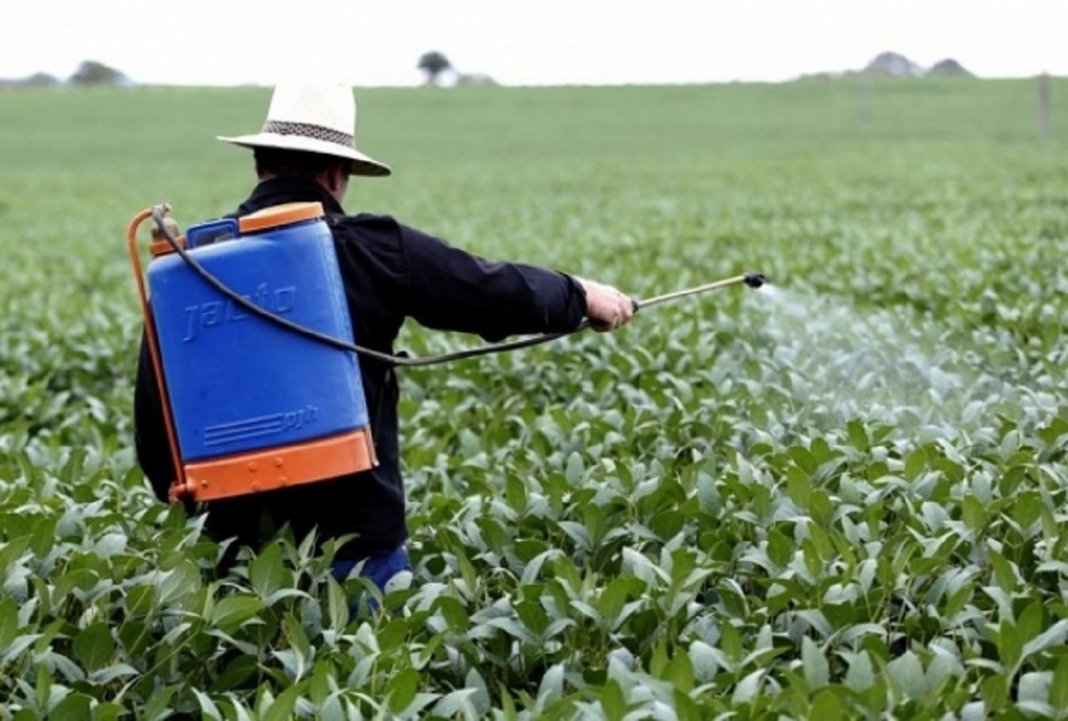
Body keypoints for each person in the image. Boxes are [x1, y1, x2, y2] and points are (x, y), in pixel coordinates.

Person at [133, 84, 633, 592]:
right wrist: (579, 295)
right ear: (336, 173)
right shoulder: (375, 249)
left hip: (236, 567)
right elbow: (488, 289)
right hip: (358, 557)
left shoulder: (187, 272)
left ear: (260, 163)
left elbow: (157, 446)